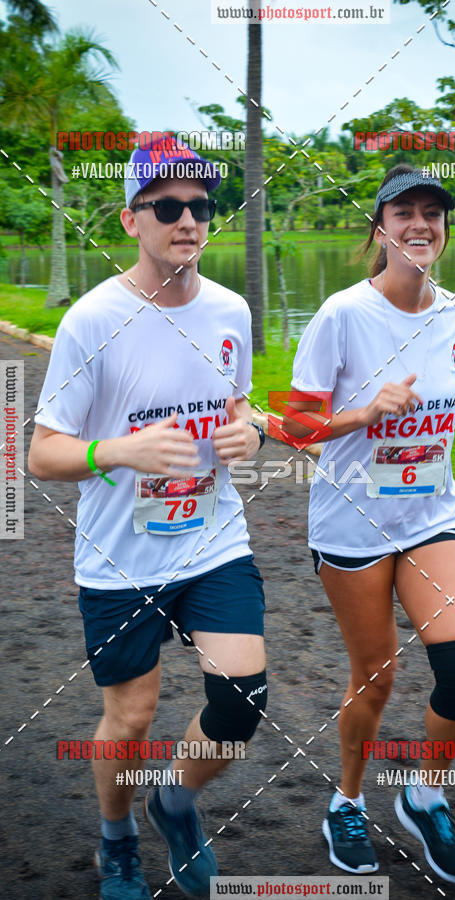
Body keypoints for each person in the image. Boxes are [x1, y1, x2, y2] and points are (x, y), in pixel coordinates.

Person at [28, 135, 268, 899]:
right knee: (130, 720)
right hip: (121, 557)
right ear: (132, 220)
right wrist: (120, 452)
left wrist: (252, 428)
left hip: (212, 539)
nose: (189, 220)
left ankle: (173, 797)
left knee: (243, 697)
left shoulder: (230, 310)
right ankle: (118, 837)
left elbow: (238, 404)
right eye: (168, 206)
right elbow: (40, 456)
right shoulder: (93, 321)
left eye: (201, 206)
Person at [286, 164, 455, 884]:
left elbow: (439, 393)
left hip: (429, 516)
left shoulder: (450, 309)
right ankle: (346, 802)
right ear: (380, 228)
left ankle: (423, 793)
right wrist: (363, 413)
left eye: (433, 213)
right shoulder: (342, 314)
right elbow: (293, 424)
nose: (421, 224)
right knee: (376, 679)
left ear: (445, 227)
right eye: (404, 212)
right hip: (353, 525)